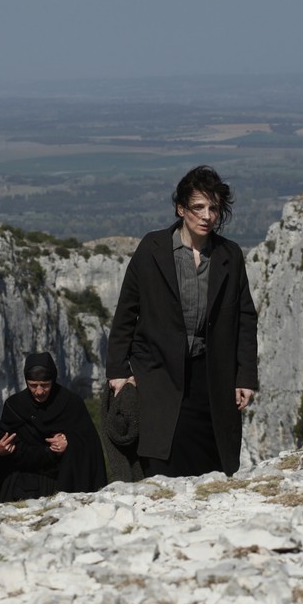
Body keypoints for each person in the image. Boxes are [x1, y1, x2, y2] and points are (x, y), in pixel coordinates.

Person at [106, 165, 258, 477]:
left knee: (212, 464)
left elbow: (245, 317)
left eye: (213, 208)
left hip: (211, 377)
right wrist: (118, 372)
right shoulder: (153, 249)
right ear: (181, 208)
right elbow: (126, 313)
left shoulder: (229, 255)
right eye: (198, 207)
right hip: (158, 374)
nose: (207, 216)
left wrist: (245, 376)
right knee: (163, 460)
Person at [0, 352, 107, 500]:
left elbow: (90, 442)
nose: (39, 391)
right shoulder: (15, 406)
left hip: (64, 480)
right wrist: (2, 449)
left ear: (53, 380)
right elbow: (7, 443)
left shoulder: (71, 404)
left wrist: (69, 441)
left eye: (45, 385)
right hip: (23, 483)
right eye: (33, 385)